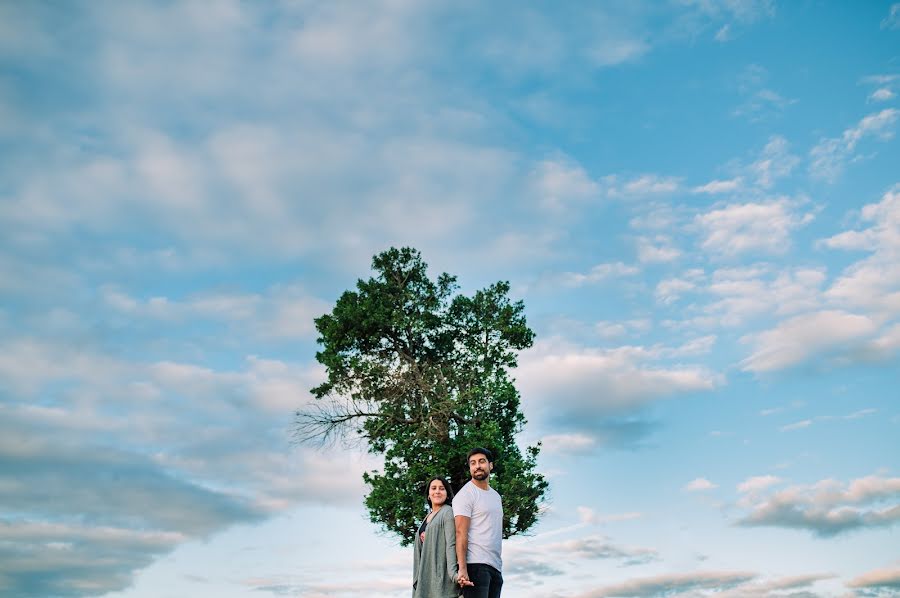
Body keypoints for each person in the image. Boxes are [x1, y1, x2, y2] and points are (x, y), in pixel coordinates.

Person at [454, 448, 504, 598]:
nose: (477, 466)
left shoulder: (496, 496)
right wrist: (462, 569)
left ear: (491, 465)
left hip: (495, 566)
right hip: (475, 565)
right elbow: (460, 532)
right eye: (473, 463)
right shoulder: (465, 494)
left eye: (481, 461)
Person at [412, 477, 470, 598]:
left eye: (442, 488)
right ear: (429, 495)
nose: (437, 491)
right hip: (426, 580)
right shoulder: (427, 517)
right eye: (433, 488)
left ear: (447, 494)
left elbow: (451, 544)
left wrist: (454, 575)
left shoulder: (447, 512)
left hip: (441, 582)